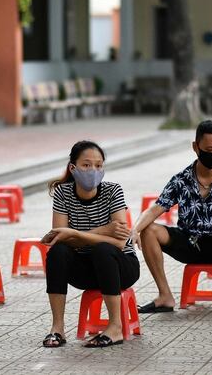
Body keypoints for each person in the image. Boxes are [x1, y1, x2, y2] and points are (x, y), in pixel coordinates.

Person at [132, 120, 212, 315]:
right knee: (149, 230)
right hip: (189, 243)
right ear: (196, 147)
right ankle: (165, 297)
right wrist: (136, 229)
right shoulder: (181, 179)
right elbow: (156, 208)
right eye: (210, 149)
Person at [41, 140, 138, 348]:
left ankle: (115, 327)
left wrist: (75, 235)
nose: (93, 170)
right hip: (85, 270)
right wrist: (104, 230)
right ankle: (57, 328)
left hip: (122, 268)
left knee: (104, 250)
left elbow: (120, 243)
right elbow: (60, 237)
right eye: (86, 165)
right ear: (72, 168)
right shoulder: (63, 193)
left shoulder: (113, 191)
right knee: (58, 252)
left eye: (98, 165)